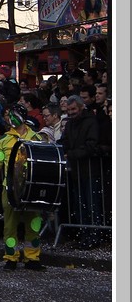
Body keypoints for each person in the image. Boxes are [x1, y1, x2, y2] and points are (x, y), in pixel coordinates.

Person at [0, 103, 47, 270]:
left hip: (31, 188)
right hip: (10, 189)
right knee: (10, 225)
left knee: (33, 222)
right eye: (8, 115)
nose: (9, 118)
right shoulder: (3, 140)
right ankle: (11, 257)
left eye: (12, 115)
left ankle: (32, 258)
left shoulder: (36, 138)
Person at [59, 94, 103, 249]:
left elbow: (91, 145)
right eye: (69, 109)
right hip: (77, 170)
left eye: (73, 109)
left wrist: (71, 154)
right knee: (80, 205)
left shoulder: (90, 121)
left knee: (92, 204)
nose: (71, 112)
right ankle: (84, 234)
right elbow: (65, 141)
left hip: (89, 169)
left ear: (81, 107)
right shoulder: (71, 124)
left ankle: (94, 235)